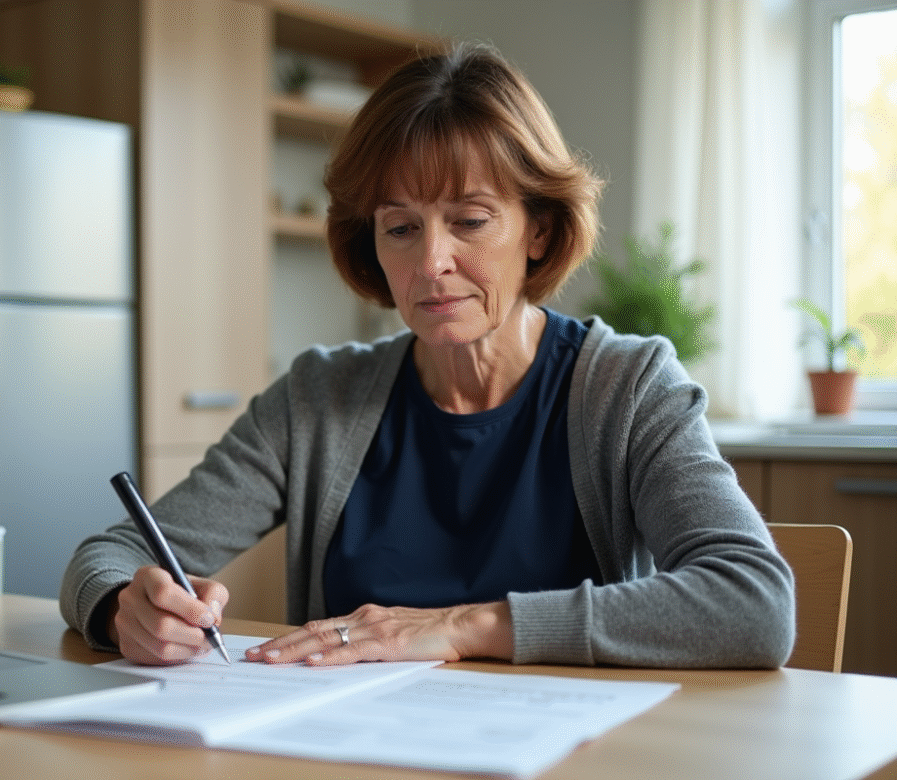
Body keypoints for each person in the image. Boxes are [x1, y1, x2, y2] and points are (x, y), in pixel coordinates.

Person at [59, 42, 795, 669]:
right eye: (401, 228)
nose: (431, 261)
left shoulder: (627, 386)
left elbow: (753, 602)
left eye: (470, 220)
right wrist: (124, 609)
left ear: (537, 229)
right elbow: (108, 556)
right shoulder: (317, 399)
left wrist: (461, 625)